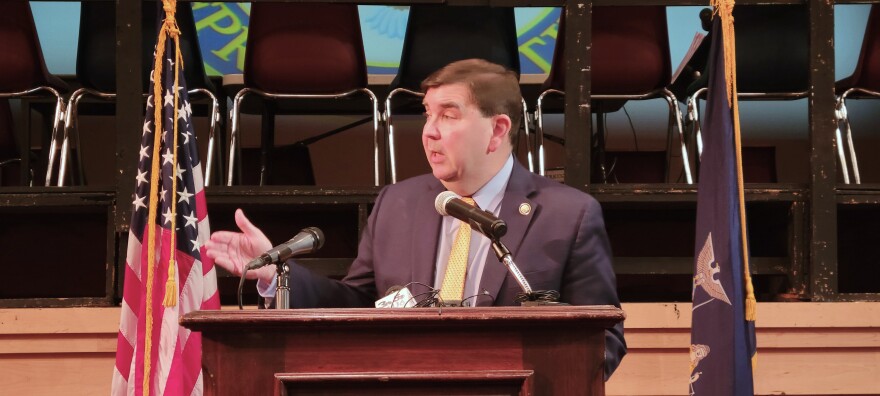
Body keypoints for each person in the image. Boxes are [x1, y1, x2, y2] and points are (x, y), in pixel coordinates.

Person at [206, 58, 626, 379]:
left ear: (498, 130)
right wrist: (276, 273)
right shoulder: (398, 203)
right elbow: (357, 305)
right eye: (428, 113)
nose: (429, 130)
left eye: (449, 114)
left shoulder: (567, 215)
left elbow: (604, 340)